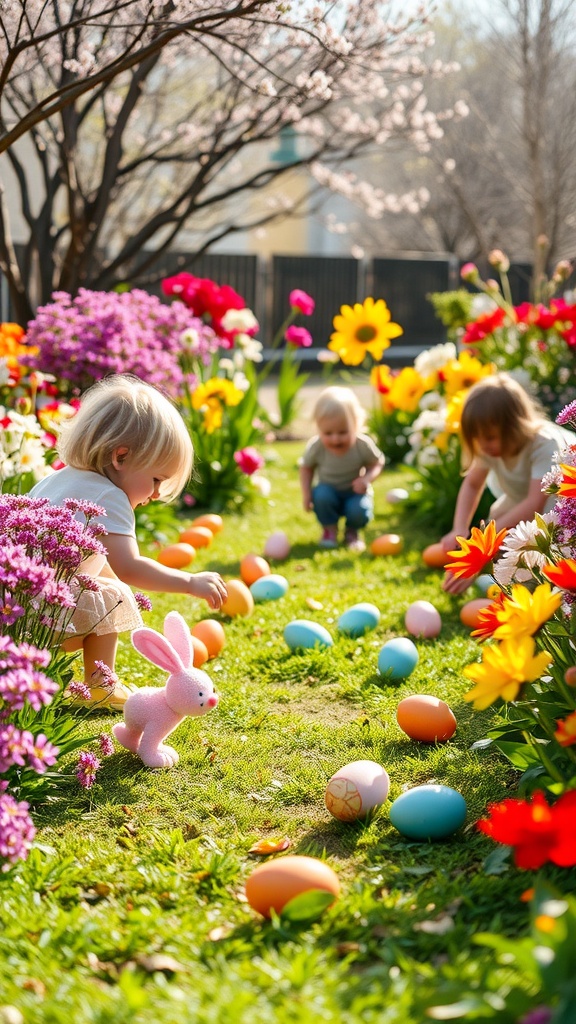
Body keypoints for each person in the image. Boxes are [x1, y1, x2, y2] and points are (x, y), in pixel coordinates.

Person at [30, 374, 227, 709]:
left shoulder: (58, 478)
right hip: (45, 617)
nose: (154, 494)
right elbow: (129, 568)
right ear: (120, 457)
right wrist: (191, 582)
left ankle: (39, 679)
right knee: (115, 596)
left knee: (101, 584)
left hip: (17, 607)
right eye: (156, 480)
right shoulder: (110, 494)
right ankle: (100, 683)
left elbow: (93, 559)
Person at [441, 372, 575, 595]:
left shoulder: (544, 444)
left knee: (553, 552)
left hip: (560, 504)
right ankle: (507, 576)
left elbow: (535, 503)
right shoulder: (488, 443)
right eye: (478, 438)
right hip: (522, 497)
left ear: (515, 426)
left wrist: (483, 554)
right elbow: (472, 484)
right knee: (498, 523)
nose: (484, 445)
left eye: (491, 437)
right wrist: (459, 528)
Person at [299, 385, 385, 552]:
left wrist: (366, 479)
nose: (336, 439)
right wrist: (306, 494)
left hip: (355, 493)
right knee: (322, 495)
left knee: (358, 510)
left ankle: (352, 532)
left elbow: (377, 462)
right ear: (318, 427)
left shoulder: (362, 445)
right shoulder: (317, 446)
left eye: (343, 432)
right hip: (329, 492)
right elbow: (306, 468)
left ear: (356, 424)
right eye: (328, 433)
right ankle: (329, 530)